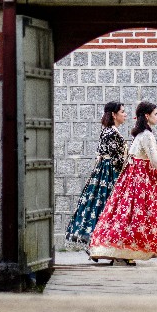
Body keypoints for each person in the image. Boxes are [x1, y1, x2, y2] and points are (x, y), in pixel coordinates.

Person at [88, 101, 157, 266]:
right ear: (147, 116)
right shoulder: (146, 135)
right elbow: (155, 161)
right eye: (155, 114)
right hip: (144, 183)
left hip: (136, 182)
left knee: (132, 219)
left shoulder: (139, 135)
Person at [64, 101, 129, 257]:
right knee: (109, 206)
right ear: (114, 115)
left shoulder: (107, 130)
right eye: (122, 111)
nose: (125, 114)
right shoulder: (112, 132)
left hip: (103, 171)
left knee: (98, 206)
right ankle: (104, 245)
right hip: (109, 172)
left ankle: (100, 245)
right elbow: (116, 159)